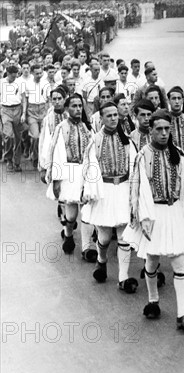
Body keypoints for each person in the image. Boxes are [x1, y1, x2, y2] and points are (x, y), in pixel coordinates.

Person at [124, 109, 184, 332]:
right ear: (151, 131)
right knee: (152, 260)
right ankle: (153, 299)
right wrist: (146, 218)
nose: (164, 133)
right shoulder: (143, 156)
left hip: (175, 211)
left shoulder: (178, 154)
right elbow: (139, 189)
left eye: (167, 129)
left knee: (179, 262)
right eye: (159, 129)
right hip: (154, 213)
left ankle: (182, 314)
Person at [81, 101, 138, 293]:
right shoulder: (95, 140)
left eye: (116, 115)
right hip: (104, 191)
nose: (114, 118)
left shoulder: (128, 140)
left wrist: (134, 192)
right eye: (109, 115)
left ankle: (123, 277)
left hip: (122, 188)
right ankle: (101, 259)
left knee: (124, 234)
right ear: (102, 118)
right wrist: (91, 192)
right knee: (104, 237)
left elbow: (134, 167)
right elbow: (90, 168)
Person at [44, 93, 93, 255]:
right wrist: (56, 179)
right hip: (69, 171)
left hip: (85, 171)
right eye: (74, 106)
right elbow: (57, 154)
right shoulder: (62, 128)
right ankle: (69, 233)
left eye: (80, 106)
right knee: (72, 213)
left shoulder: (88, 127)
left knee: (87, 209)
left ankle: (87, 247)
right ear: (67, 108)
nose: (78, 109)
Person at [1, 65, 26, 172]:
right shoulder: (1, 82)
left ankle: (17, 162)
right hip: (5, 110)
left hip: (17, 109)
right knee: (8, 136)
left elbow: (24, 98)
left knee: (17, 137)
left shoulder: (20, 82)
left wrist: (24, 113)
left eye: (16, 75)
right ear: (8, 73)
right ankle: (8, 158)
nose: (14, 77)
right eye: (12, 76)